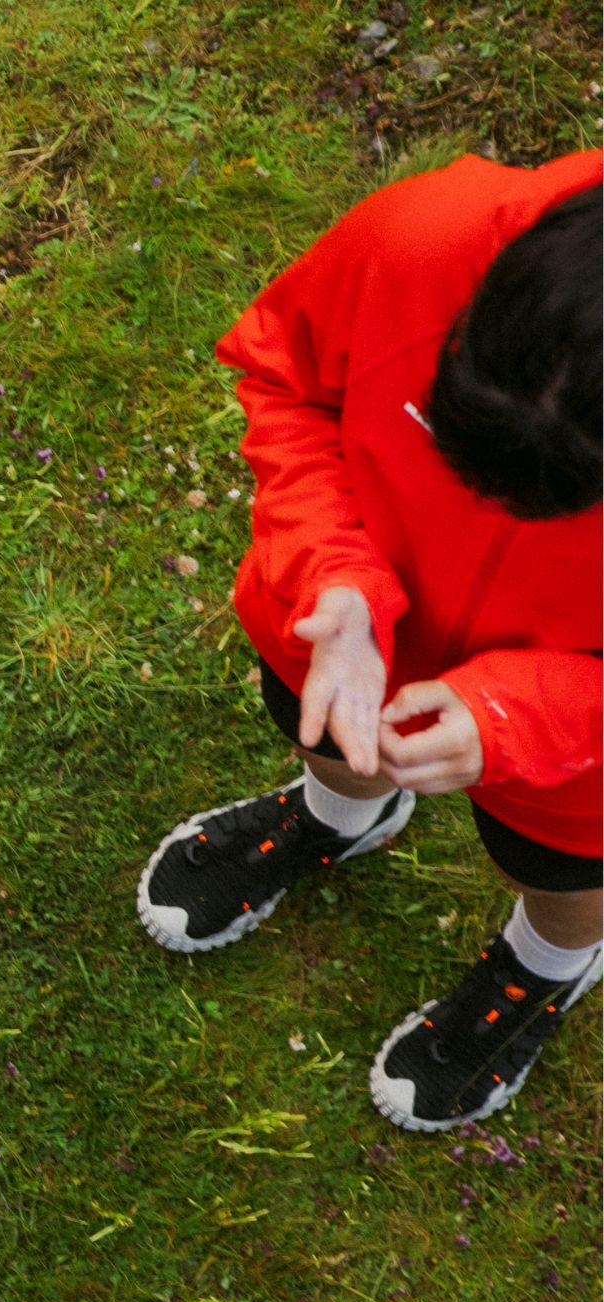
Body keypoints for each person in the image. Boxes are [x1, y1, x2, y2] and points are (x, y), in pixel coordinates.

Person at [135, 154, 599, 1131]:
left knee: (563, 875)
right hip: (334, 630)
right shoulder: (421, 236)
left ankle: (548, 963)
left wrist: (518, 713)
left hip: (582, 759)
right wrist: (331, 580)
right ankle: (338, 818)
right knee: (317, 732)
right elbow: (285, 378)